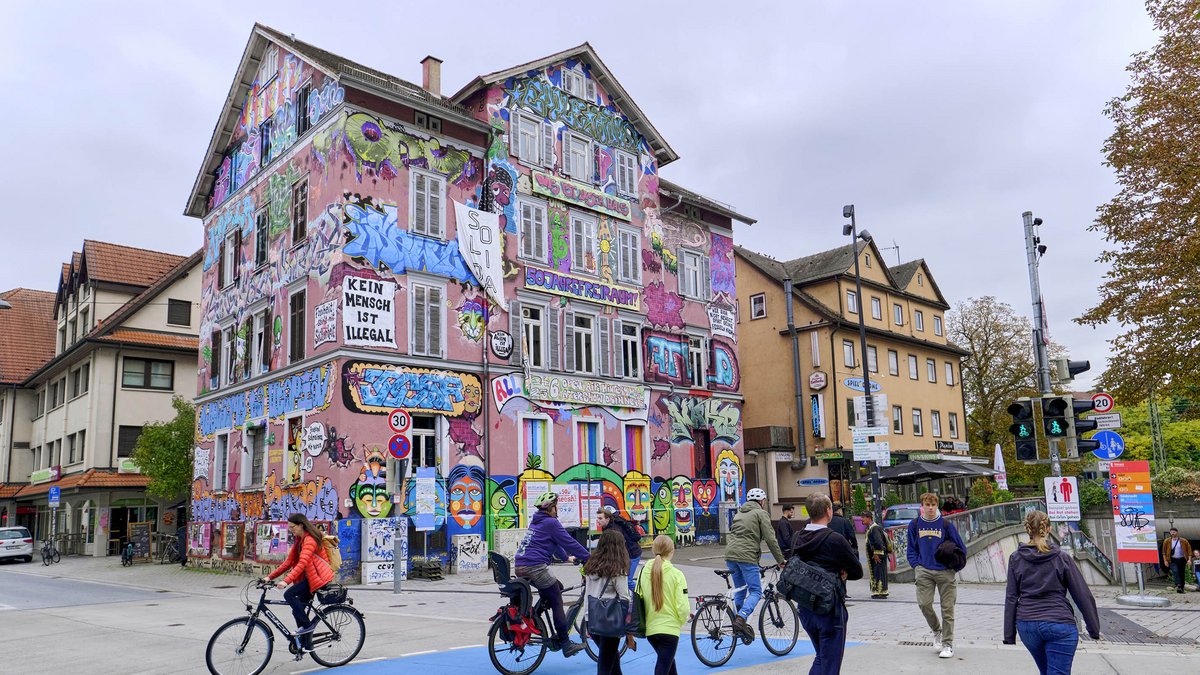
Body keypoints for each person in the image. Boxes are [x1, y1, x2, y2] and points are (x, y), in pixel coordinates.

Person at [1004, 510, 1102, 674]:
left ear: (1028, 530)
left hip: (1027, 625)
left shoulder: (1016, 558)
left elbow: (1011, 597)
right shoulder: (1061, 558)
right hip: (1059, 624)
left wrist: (1009, 634)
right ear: (1048, 529)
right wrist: (1093, 629)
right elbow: (1082, 594)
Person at [791, 493, 863, 675]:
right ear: (828, 511)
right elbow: (857, 571)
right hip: (829, 608)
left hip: (805, 607)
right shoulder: (835, 539)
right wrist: (844, 573)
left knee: (822, 657)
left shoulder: (797, 537)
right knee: (830, 664)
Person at [515, 491, 591, 657]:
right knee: (556, 599)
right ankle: (565, 643)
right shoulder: (551, 522)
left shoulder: (537, 521)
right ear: (551, 508)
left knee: (557, 587)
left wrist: (566, 558)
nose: (558, 509)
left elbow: (554, 542)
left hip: (520, 565)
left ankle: (534, 619)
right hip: (535, 566)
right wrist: (588, 557)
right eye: (557, 506)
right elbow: (569, 542)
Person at [906, 492, 966, 659]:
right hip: (924, 570)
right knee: (924, 604)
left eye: (933, 505)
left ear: (937, 506)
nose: (931, 508)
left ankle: (947, 644)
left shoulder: (946, 525)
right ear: (922, 506)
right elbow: (911, 548)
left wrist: (954, 568)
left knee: (947, 609)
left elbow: (961, 548)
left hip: (945, 571)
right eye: (927, 505)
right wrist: (916, 565)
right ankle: (937, 630)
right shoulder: (915, 525)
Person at [262, 513, 334, 649]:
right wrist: (269, 577)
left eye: (292, 527)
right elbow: (289, 562)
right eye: (289, 527)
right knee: (297, 610)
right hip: (309, 577)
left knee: (289, 594)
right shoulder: (299, 540)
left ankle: (307, 626)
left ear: (301, 525)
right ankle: (306, 643)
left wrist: (286, 581)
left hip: (318, 578)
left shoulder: (310, 540)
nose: (291, 530)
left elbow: (302, 563)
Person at [724, 487, 786, 639]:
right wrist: (780, 560)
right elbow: (771, 539)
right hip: (747, 556)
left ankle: (739, 624)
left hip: (730, 555)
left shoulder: (739, 513)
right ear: (761, 501)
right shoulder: (761, 513)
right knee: (756, 591)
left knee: (740, 590)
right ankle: (741, 617)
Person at [584, 528, 636, 674]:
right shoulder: (617, 570)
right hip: (611, 620)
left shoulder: (590, 567)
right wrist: (627, 622)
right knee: (606, 662)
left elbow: (588, 593)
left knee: (611, 657)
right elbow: (624, 597)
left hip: (592, 617)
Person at [638, 535, 691, 675]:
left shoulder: (644, 571)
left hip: (651, 628)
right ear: (672, 550)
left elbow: (639, 596)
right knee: (663, 666)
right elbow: (682, 606)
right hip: (669, 628)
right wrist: (681, 620)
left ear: (653, 550)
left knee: (668, 664)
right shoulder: (677, 574)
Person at [596, 506, 644, 592]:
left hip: (632, 554)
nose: (598, 521)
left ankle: (643, 593)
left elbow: (618, 548)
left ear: (607, 519)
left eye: (600, 518)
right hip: (625, 555)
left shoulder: (614, 530)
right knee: (617, 579)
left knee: (627, 581)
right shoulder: (607, 526)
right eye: (597, 518)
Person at [863, 512, 891, 599]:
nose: (862, 520)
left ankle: (880, 592)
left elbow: (878, 542)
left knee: (878, 573)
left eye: (863, 517)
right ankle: (880, 591)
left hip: (878, 556)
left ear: (869, 518)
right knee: (878, 572)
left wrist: (876, 553)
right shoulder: (871, 528)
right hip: (877, 555)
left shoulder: (874, 528)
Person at [1161, 527, 1193, 593]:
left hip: (1182, 559)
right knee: (1175, 571)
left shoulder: (1183, 541)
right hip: (1172, 559)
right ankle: (1178, 585)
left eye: (1174, 532)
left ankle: (1182, 588)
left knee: (1181, 573)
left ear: (1177, 532)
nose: (1172, 533)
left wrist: (1189, 560)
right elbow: (1164, 552)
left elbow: (1189, 551)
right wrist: (1165, 561)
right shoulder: (1167, 541)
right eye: (1171, 532)